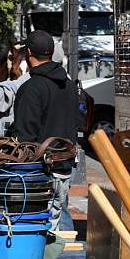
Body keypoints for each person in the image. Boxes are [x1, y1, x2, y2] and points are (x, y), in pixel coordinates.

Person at [10, 30, 78, 233]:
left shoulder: (32, 88)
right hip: (65, 169)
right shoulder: (69, 85)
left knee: (36, 231)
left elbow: (24, 136)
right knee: (55, 225)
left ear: (28, 53)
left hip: (40, 173)